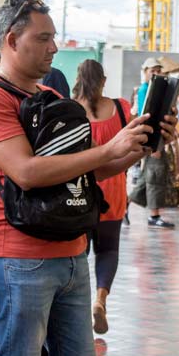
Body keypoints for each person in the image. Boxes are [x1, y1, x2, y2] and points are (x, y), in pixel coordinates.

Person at [0, 0, 174, 356]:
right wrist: (108, 147)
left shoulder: (52, 96)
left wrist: (135, 146)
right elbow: (25, 172)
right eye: (44, 38)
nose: (54, 47)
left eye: (54, 37)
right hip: (18, 255)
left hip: (72, 252)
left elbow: (90, 168)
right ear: (11, 40)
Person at [72, 59, 129, 335]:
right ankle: (100, 300)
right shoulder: (120, 108)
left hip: (81, 190)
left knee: (78, 253)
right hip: (114, 187)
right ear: (103, 81)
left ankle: (78, 306)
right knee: (108, 249)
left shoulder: (71, 110)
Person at [130, 57, 179, 228]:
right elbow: (147, 116)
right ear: (145, 73)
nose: (156, 73)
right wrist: (154, 145)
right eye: (152, 71)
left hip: (157, 138)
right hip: (152, 139)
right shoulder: (145, 90)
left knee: (146, 178)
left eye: (159, 70)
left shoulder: (156, 89)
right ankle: (154, 215)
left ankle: (124, 207)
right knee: (154, 176)